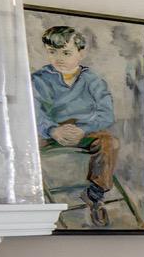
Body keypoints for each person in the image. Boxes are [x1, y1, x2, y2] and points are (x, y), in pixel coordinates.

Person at [32, 25, 118, 226]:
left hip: (83, 131)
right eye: (52, 52)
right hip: (49, 132)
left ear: (81, 53)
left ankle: (95, 195)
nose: (59, 58)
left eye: (66, 52)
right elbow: (33, 112)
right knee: (21, 145)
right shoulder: (38, 79)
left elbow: (106, 113)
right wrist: (52, 129)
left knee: (109, 143)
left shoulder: (92, 80)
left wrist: (83, 129)